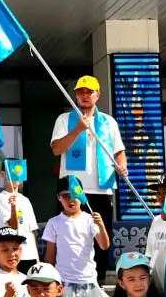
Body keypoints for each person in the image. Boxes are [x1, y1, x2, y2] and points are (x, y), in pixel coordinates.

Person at [49, 75, 128, 277]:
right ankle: (64, 278)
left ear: (97, 95)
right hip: (73, 190)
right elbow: (56, 149)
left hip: (102, 188)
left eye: (89, 92)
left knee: (101, 237)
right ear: (75, 96)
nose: (85, 96)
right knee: (70, 237)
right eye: (80, 92)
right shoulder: (64, 119)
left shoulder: (109, 122)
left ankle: (98, 280)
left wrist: (122, 167)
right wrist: (77, 130)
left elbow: (119, 151)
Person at [0, 176, 40, 276]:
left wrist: (37, 257)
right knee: (14, 283)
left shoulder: (25, 200)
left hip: (29, 254)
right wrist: (13, 206)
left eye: (18, 174)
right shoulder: (1, 198)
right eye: (12, 174)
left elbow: (32, 230)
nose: (16, 177)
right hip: (12, 255)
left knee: (29, 284)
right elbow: (13, 226)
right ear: (4, 175)